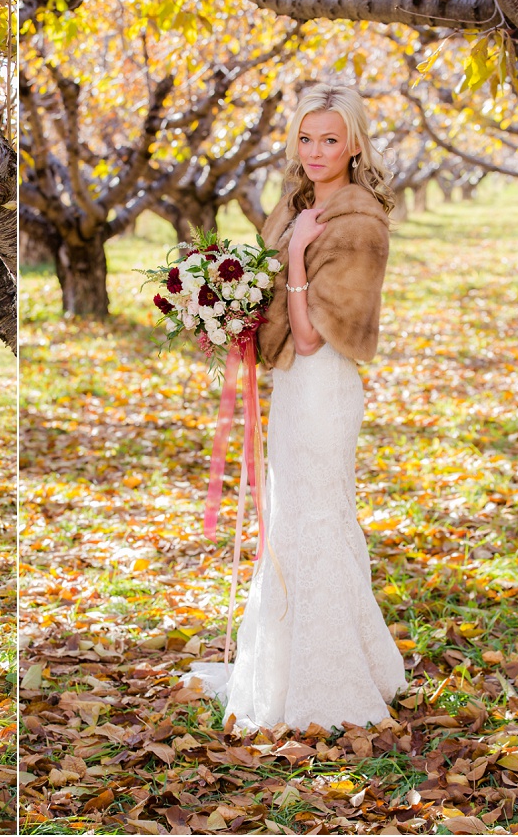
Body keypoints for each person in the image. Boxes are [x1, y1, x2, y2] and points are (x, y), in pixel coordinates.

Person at [192, 84, 407, 730]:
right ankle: (291, 663)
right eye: (306, 138)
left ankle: (329, 678)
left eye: (330, 140)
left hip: (323, 386)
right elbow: (267, 291)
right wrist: (222, 307)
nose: (315, 152)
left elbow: (314, 333)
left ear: (355, 145)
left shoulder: (359, 224)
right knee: (294, 518)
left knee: (314, 519)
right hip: (293, 384)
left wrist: (291, 258)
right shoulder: (297, 201)